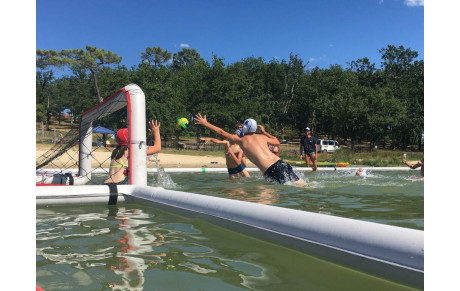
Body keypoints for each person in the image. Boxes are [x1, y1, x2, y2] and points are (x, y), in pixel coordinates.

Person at [195, 114, 307, 186]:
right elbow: (277, 141)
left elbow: (221, 132)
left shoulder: (241, 140)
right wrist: (264, 132)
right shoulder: (262, 137)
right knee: (302, 186)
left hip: (271, 170)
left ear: (244, 128)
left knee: (263, 199)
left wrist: (205, 123)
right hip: (281, 163)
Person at [105, 120, 161, 184]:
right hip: (119, 185)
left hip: (106, 184)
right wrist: (156, 132)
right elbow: (157, 148)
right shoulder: (130, 151)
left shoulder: (115, 152)